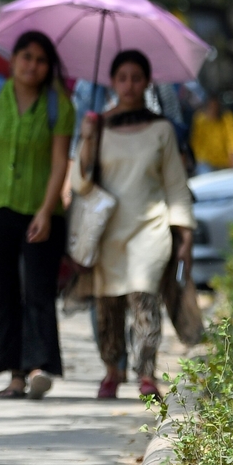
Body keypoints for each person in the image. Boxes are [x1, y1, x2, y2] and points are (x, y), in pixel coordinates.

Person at [73, 50, 195, 399]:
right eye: (122, 77)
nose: (129, 85)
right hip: (107, 232)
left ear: (147, 82)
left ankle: (146, 374)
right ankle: (112, 369)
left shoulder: (162, 129)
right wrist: (86, 139)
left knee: (145, 301)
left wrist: (184, 233)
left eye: (136, 77)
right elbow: (80, 182)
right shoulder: (98, 125)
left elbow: (176, 184)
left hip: (150, 230)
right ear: (112, 82)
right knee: (108, 306)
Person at [0, 31, 75, 400]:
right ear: (13, 60)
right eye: (26, 57)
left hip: (42, 212)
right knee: (4, 292)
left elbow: (60, 162)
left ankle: (39, 367)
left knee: (39, 291)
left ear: (49, 67)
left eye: (41, 60)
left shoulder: (59, 105)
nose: (32, 65)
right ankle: (14, 376)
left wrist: (46, 209)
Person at [190, 93, 233, 172]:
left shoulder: (226, 118)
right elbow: (196, 140)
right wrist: (198, 158)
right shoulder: (200, 119)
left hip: (224, 160)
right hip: (206, 161)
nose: (213, 109)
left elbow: (232, 137)